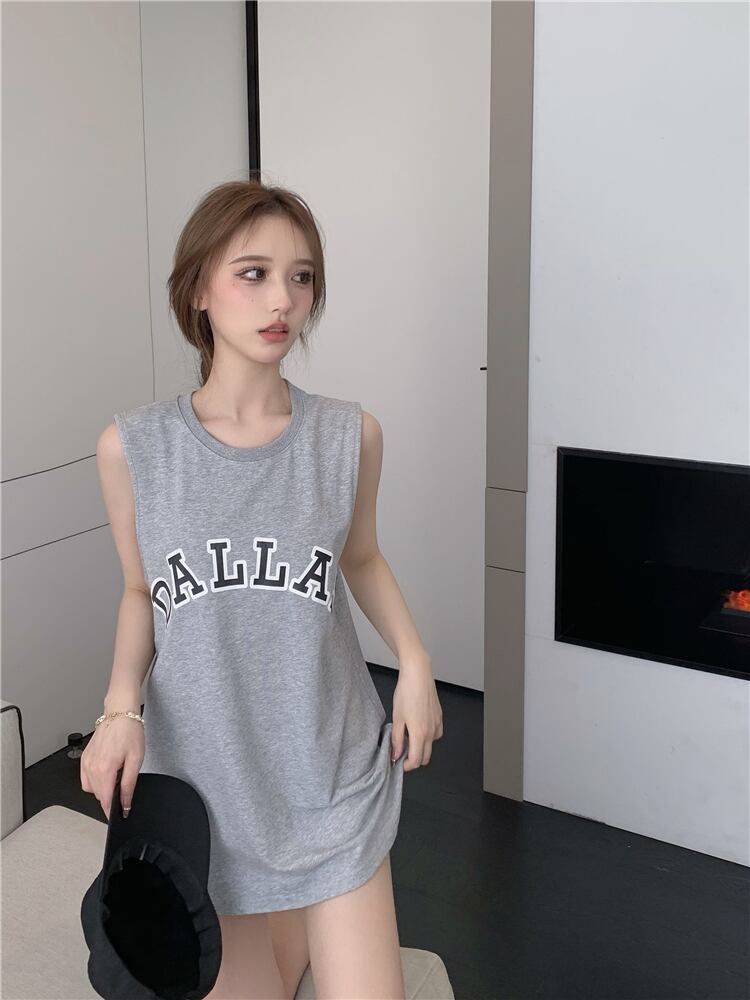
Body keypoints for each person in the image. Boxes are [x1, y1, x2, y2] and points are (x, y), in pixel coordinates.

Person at [80, 178, 444, 1000]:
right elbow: (141, 592)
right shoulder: (133, 449)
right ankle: (286, 929)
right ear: (198, 290)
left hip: (329, 773)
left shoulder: (349, 436)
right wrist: (118, 711)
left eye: (301, 277)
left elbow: (361, 558)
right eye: (253, 273)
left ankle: (304, 917)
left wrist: (416, 662)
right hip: (207, 791)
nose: (283, 299)